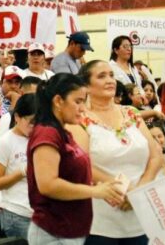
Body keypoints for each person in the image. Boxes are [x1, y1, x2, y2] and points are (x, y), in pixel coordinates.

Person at [69, 60, 164, 245]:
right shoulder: (79, 119)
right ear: (86, 85)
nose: (110, 80)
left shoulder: (131, 113)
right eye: (101, 76)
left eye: (111, 75)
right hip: (100, 220)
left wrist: (138, 191)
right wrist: (121, 190)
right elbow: (81, 164)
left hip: (139, 214)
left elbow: (155, 156)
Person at [27, 73, 123, 245]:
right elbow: (48, 185)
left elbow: (70, 175)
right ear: (58, 101)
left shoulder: (64, 132)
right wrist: (95, 192)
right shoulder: (46, 133)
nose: (83, 108)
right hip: (54, 232)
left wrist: (103, 188)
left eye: (83, 102)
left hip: (71, 232)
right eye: (77, 101)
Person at [0, 93, 36, 238]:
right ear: (17, 117)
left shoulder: (40, 138)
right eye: (31, 121)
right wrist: (22, 172)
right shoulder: (6, 142)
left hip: (42, 214)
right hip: (17, 214)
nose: (35, 126)